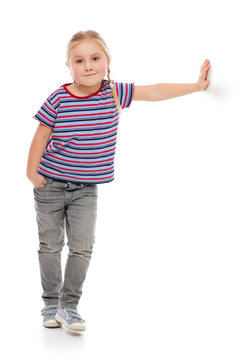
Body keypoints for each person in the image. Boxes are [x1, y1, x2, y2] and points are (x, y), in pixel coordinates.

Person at [26, 30, 210, 332]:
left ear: (107, 62)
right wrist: (32, 173)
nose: (88, 66)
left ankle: (69, 306)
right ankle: (50, 303)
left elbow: (154, 91)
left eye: (95, 58)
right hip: (51, 184)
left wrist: (195, 86)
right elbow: (41, 135)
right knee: (49, 245)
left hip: (86, 189)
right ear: (69, 65)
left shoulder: (113, 92)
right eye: (79, 60)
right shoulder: (59, 97)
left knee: (82, 247)